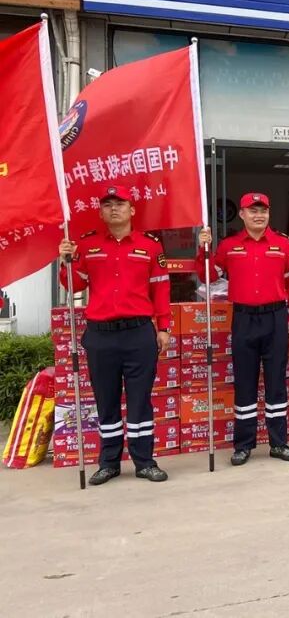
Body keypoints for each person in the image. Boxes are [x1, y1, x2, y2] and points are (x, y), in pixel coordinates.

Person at [58, 186, 171, 484]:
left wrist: (164, 327)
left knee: (139, 400)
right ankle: (108, 462)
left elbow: (160, 289)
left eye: (120, 204)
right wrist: (65, 260)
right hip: (101, 336)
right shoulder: (88, 246)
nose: (114, 209)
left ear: (132, 210)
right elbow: (74, 286)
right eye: (107, 205)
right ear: (101, 212)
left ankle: (144, 461)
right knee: (105, 400)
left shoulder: (150, 246)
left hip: (138, 335)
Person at [197, 192, 289, 466]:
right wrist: (203, 249)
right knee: (244, 383)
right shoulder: (230, 246)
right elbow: (208, 275)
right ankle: (244, 445)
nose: (259, 215)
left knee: (276, 383)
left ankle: (279, 443)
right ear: (242, 214)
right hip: (243, 318)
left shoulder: (282, 244)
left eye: (263, 211)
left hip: (276, 318)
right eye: (252, 210)